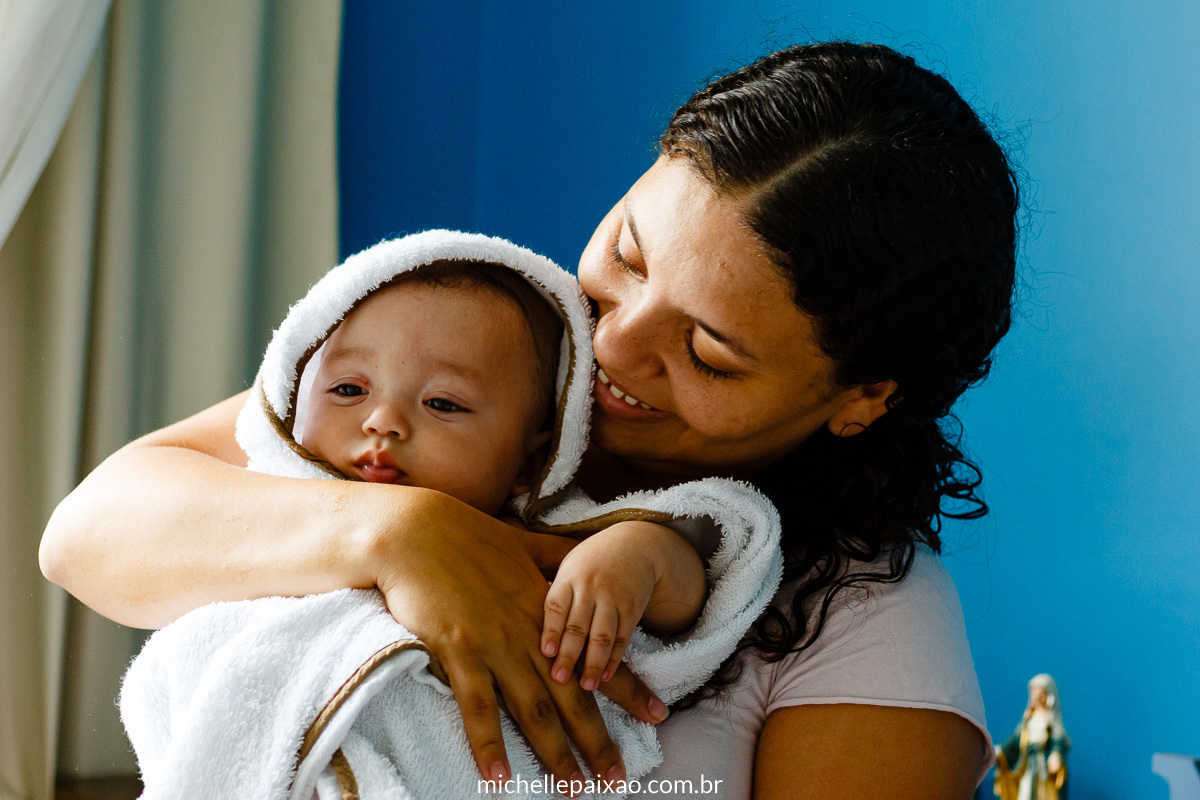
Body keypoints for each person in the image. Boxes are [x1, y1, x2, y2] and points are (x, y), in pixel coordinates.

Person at [40, 41, 1019, 799]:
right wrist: (400, 533)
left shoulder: (867, 615)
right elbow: (87, 534)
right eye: (630, 255)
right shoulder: (478, 370)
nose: (619, 347)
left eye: (710, 351)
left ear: (862, 396)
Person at [994, 674, 1070, 800]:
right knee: (1025, 792)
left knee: (1043, 794)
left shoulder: (1050, 719)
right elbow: (1015, 739)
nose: (1035, 696)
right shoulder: (1029, 718)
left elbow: (1059, 739)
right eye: (1033, 692)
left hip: (1043, 768)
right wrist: (1001, 750)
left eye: (1039, 692)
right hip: (1028, 765)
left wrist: (1055, 754)